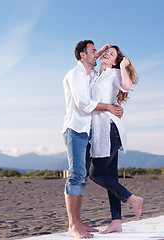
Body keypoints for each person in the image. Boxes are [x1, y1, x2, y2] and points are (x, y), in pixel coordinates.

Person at [62, 40, 123, 239]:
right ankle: (73, 225)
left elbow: (105, 83)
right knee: (76, 175)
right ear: (82, 55)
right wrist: (108, 107)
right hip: (75, 129)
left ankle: (78, 222)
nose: (96, 54)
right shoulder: (75, 75)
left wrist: (104, 51)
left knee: (81, 177)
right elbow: (83, 103)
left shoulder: (91, 76)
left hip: (87, 132)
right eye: (93, 51)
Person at [89, 45, 143, 234]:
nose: (107, 54)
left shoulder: (114, 74)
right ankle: (116, 221)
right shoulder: (93, 74)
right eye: (106, 51)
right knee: (110, 177)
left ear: (115, 61)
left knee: (95, 173)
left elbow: (127, 87)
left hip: (109, 130)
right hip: (98, 131)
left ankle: (131, 198)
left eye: (112, 54)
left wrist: (123, 66)